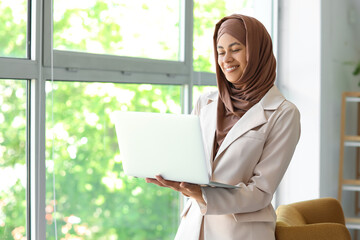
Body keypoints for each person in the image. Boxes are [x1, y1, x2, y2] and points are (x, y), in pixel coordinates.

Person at [146, 14, 300, 240]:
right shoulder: (205, 103)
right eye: (220, 51)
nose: (226, 59)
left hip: (240, 233)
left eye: (235, 49)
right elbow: (191, 162)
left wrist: (203, 195)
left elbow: (261, 192)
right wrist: (172, 175)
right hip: (192, 228)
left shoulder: (283, 113)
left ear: (257, 51)